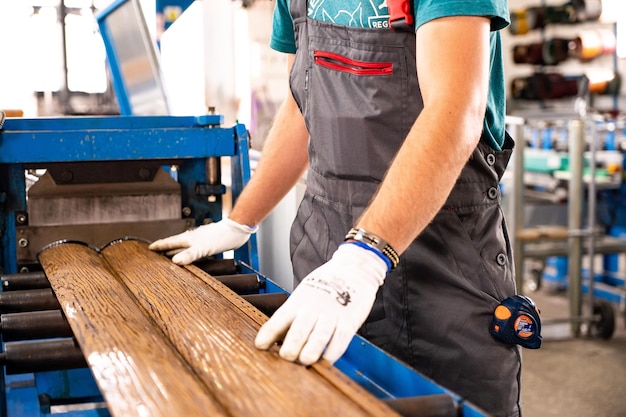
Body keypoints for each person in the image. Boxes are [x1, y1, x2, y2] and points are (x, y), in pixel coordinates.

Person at [149, 1, 521, 416]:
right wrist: (239, 220)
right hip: (327, 254)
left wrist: (365, 257)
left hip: (440, 263)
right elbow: (300, 106)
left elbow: (455, 112)